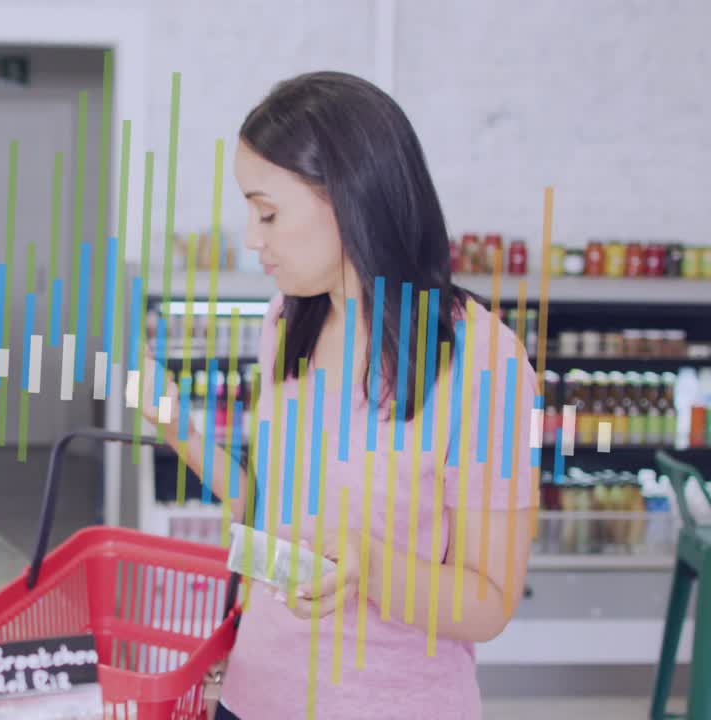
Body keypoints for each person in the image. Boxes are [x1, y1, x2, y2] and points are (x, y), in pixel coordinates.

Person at [139, 71, 538, 719]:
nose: (251, 237)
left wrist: (369, 567)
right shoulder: (285, 321)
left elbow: (488, 604)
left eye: (267, 212)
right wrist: (166, 414)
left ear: (349, 198)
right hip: (252, 694)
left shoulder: (483, 363)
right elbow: (264, 511)